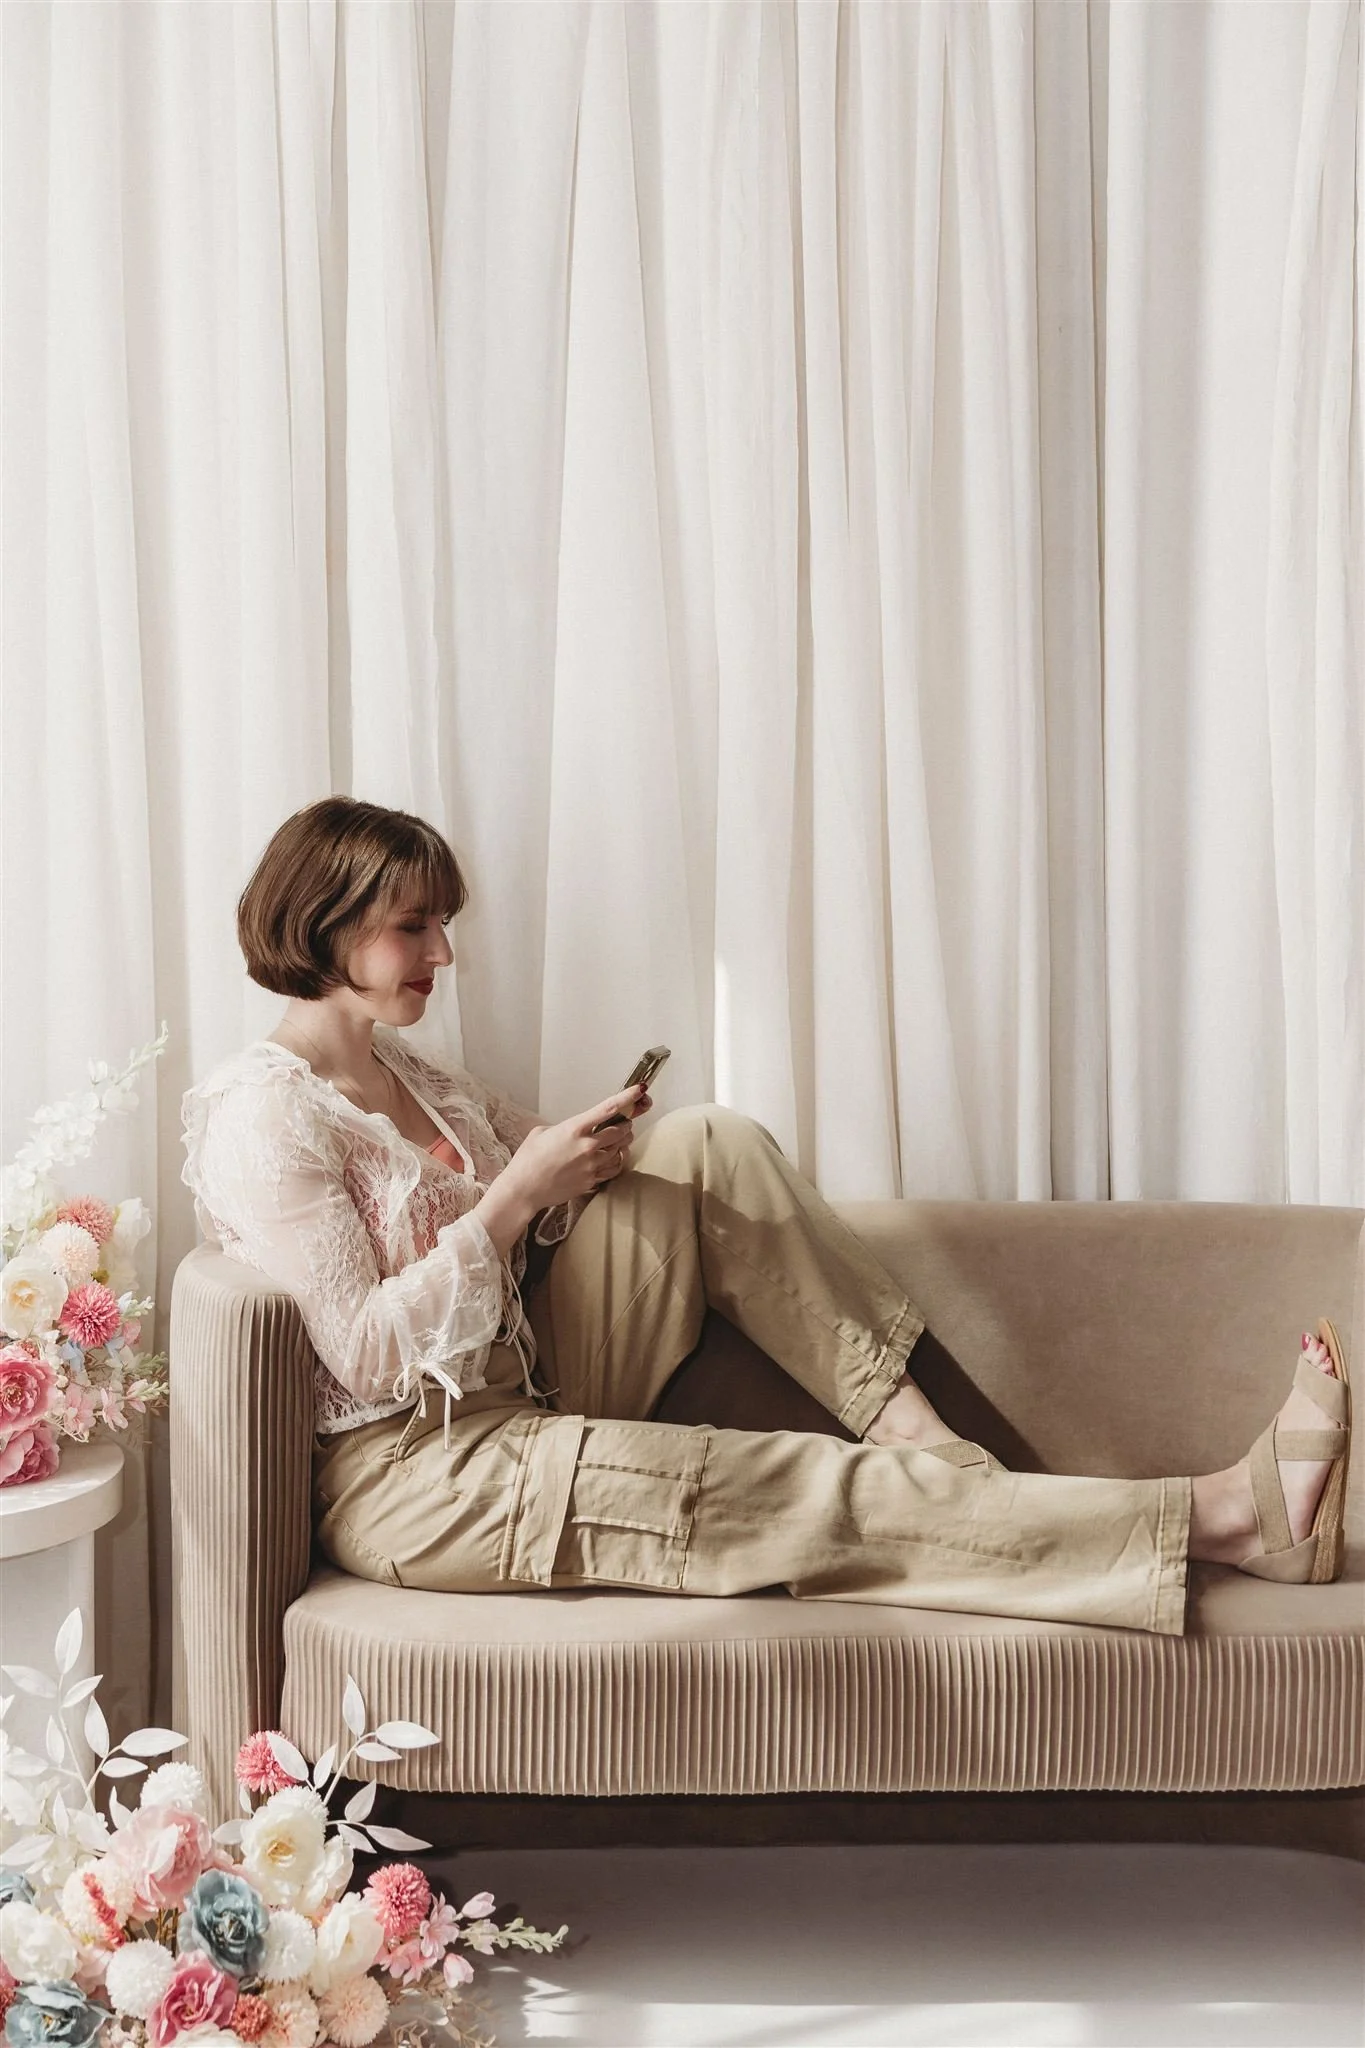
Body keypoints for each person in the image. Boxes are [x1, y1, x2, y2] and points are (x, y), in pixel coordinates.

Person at [181, 797, 1351, 1635]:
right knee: (790, 1486)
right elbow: (369, 1352)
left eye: (442, 921)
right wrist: (517, 1193)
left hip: (528, 1378)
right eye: (413, 927)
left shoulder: (422, 1077)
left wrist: (578, 1156)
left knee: (708, 1140)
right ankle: (1226, 1520)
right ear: (327, 928)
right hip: (420, 1470)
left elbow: (552, 1210)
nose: (444, 950)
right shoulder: (264, 1117)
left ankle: (925, 1443)